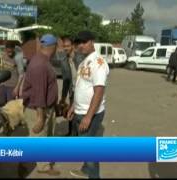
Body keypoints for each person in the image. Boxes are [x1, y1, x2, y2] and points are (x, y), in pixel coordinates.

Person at [67, 31, 109, 179]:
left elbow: (99, 91)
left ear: (92, 42)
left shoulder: (99, 63)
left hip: (90, 113)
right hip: (80, 110)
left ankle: (93, 175)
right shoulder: (84, 61)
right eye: (78, 43)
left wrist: (88, 117)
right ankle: (85, 170)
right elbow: (80, 86)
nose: (81, 46)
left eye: (84, 42)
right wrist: (73, 107)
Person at [21, 34, 60, 175]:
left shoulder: (42, 60)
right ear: (53, 47)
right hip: (38, 109)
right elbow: (38, 94)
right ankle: (40, 166)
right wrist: (40, 117)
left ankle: (36, 162)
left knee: (43, 137)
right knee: (38, 137)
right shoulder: (40, 64)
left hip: (45, 107)